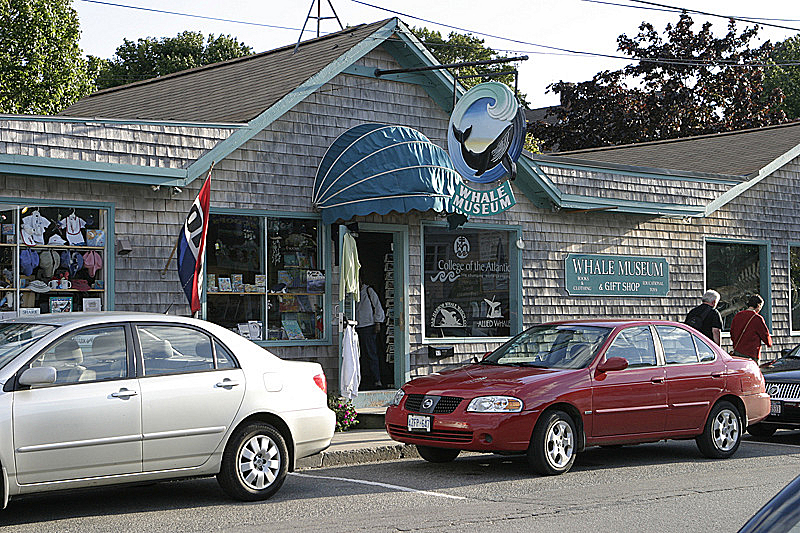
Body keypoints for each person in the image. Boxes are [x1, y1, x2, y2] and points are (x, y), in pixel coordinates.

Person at [356, 281, 385, 389]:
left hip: (368, 326)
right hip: (356, 326)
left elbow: (377, 307)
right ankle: (360, 379)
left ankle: (376, 379)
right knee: (358, 354)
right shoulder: (351, 291)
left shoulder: (368, 291)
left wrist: (377, 323)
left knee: (371, 353)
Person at [730, 294, 772, 364]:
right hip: (751, 353)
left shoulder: (738, 315)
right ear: (758, 305)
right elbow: (765, 334)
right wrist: (769, 343)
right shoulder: (757, 318)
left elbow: (732, 333)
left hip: (738, 352)